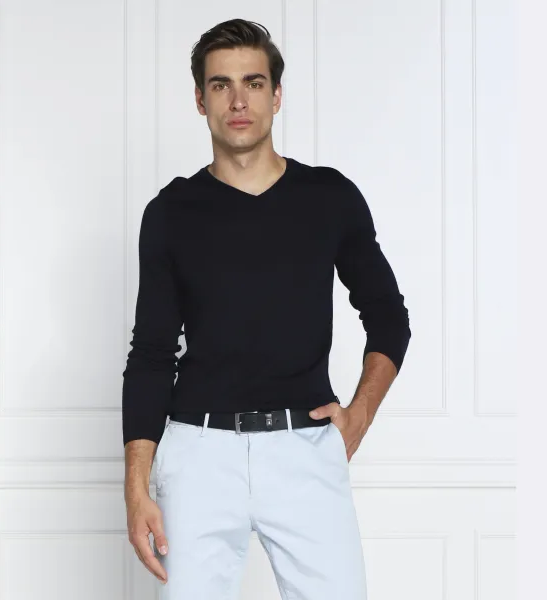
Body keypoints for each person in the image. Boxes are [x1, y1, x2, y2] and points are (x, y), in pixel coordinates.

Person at [122, 18, 411, 600]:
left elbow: (388, 316)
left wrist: (359, 414)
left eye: (253, 83)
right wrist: (135, 487)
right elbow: (151, 353)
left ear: (276, 95)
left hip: (304, 448)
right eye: (221, 85)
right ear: (200, 99)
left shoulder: (329, 198)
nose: (238, 101)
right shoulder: (171, 213)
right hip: (198, 454)